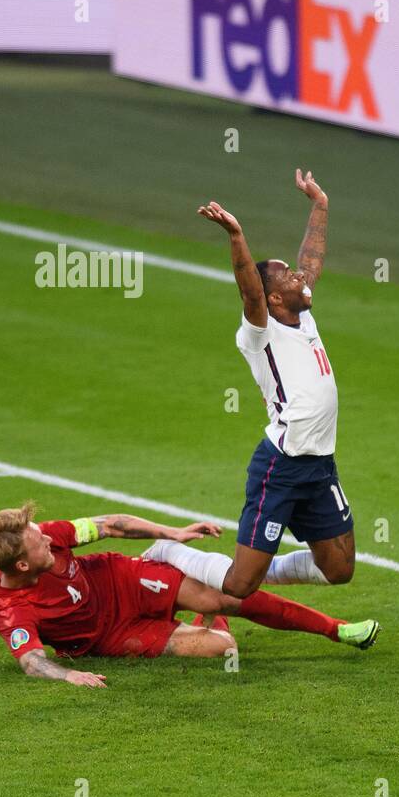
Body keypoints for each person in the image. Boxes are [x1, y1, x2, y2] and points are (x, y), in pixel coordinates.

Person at [146, 169, 354, 599]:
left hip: (320, 464)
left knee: (339, 569)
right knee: (240, 585)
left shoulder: (303, 313)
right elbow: (249, 288)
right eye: (287, 277)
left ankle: (265, 569)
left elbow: (311, 259)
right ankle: (169, 551)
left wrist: (321, 205)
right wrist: (236, 235)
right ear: (273, 298)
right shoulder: (261, 333)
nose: (299, 277)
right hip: (281, 467)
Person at [0, 502, 379, 686]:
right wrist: (71, 676)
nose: (49, 537)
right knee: (223, 648)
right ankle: (195, 610)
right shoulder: (7, 608)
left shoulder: (48, 537)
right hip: (111, 638)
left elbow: (109, 525)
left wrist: (171, 533)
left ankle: (336, 629)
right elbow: (32, 663)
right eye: (40, 543)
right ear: (21, 566)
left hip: (120, 580)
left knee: (224, 597)